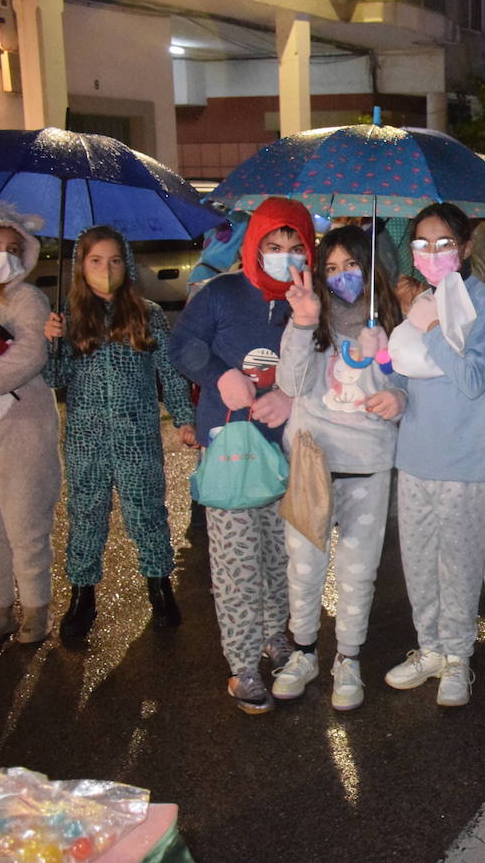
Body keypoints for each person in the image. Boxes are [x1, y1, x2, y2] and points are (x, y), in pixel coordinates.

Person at [169, 196, 312, 714]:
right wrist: (218, 375)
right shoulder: (221, 293)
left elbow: (327, 368)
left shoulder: (308, 305)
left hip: (287, 450)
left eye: (296, 247)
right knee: (234, 564)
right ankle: (243, 665)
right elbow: (181, 345)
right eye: (273, 245)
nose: (284, 256)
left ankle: (276, 637)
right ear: (254, 245)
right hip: (230, 448)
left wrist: (294, 395)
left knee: (281, 558)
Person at [268, 226, 405, 710]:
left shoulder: (389, 320)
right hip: (312, 463)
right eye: (331, 268)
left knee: (357, 571)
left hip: (367, 465)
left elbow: (404, 387)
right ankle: (303, 652)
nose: (342, 276)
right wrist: (303, 322)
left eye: (351, 265)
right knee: (304, 567)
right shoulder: (312, 318)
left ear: (370, 269)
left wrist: (388, 371)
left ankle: (348, 658)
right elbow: (290, 382)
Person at [43, 226, 196, 640]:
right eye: (95, 261)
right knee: (87, 515)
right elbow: (56, 376)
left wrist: (184, 416)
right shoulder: (70, 317)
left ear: (125, 264)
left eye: (113, 260)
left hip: (138, 436)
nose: (105, 269)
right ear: (81, 266)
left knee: (147, 512)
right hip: (86, 439)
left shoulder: (147, 314)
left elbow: (169, 372)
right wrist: (52, 343)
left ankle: (159, 586)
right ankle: (82, 594)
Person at [383, 202, 485, 708]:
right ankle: (430, 648)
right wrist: (392, 389)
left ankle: (458, 657)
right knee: (418, 564)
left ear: (466, 247)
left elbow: (474, 379)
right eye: (422, 244)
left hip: (464, 463)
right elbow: (405, 374)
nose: (432, 254)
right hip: (414, 458)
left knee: (459, 564)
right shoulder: (422, 302)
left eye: (443, 243)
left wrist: (433, 329)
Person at [0, 203, 60, 645]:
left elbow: (30, 354)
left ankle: (36, 607)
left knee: (24, 522)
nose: (5, 256)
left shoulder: (28, 299)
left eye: (15, 249)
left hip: (25, 425)